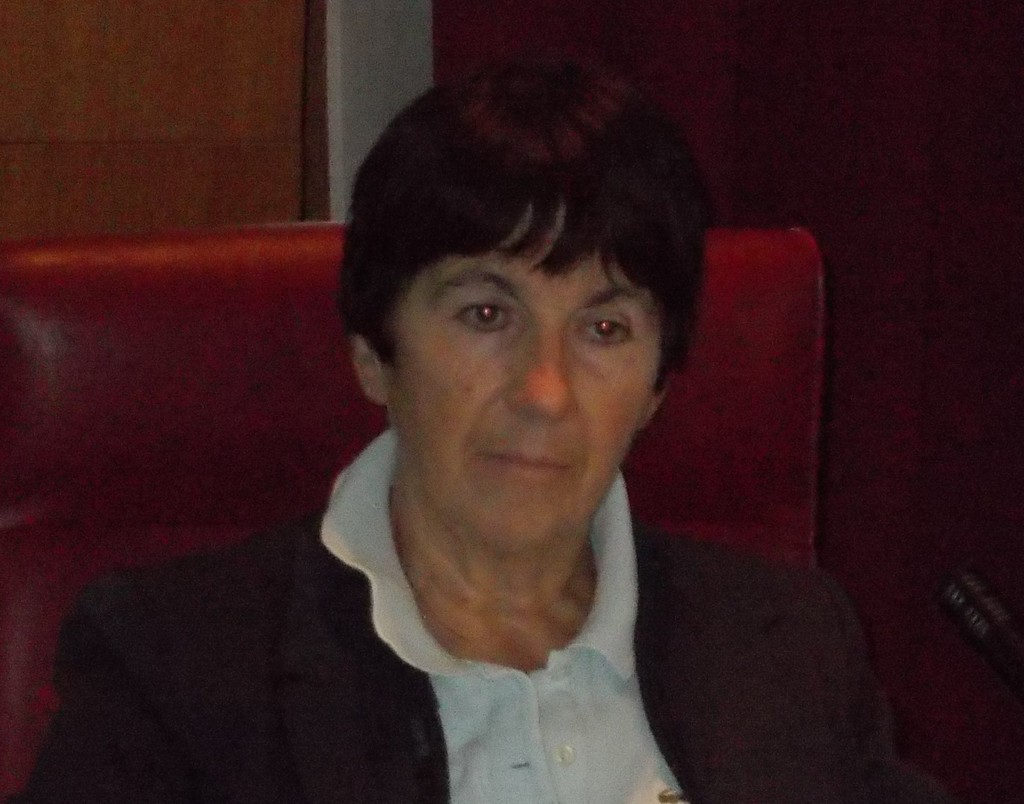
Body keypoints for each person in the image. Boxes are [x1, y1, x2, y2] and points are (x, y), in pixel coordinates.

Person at [12, 62, 957, 804]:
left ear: (658, 389)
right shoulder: (177, 665)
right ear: (373, 354)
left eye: (604, 328)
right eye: (485, 314)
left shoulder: (787, 646)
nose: (544, 391)